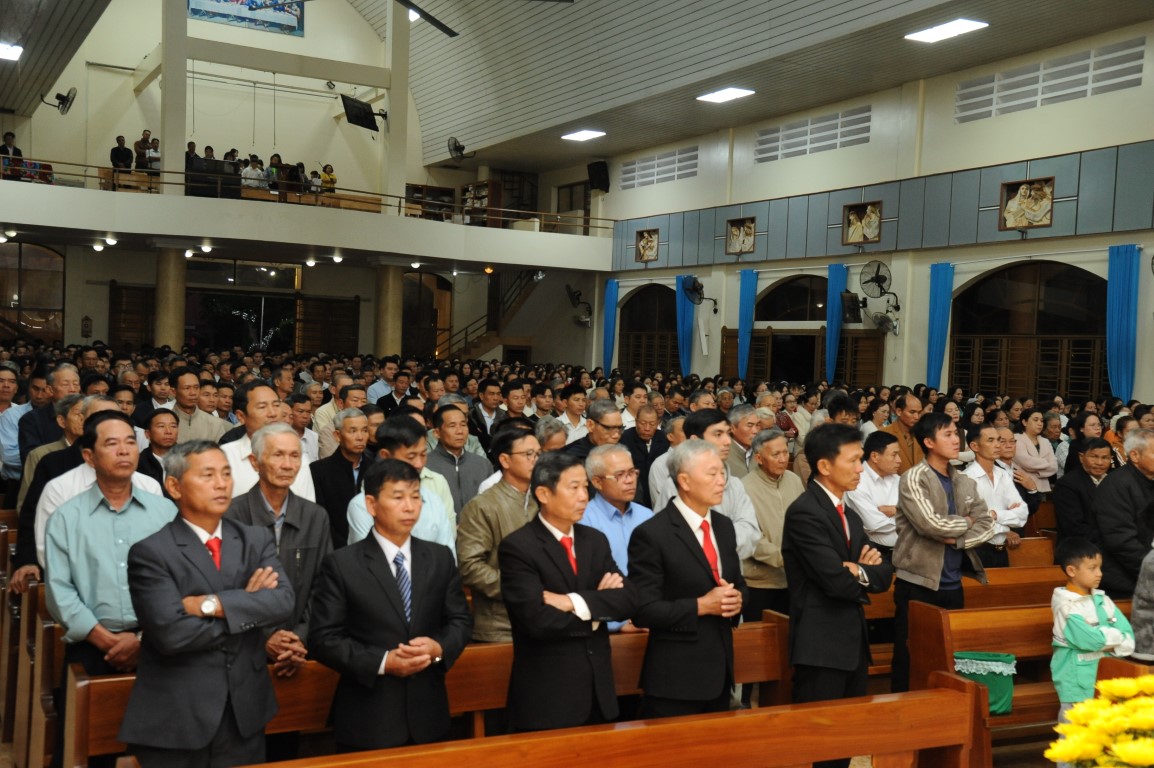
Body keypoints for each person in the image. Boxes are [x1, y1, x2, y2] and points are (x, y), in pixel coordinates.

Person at [119, 440, 295, 768]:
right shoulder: (152, 552)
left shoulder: (255, 539)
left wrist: (208, 605)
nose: (221, 483)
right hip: (177, 717)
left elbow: (283, 601)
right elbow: (171, 634)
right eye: (208, 475)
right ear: (174, 486)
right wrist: (248, 611)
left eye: (226, 474)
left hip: (244, 713)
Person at [308, 459, 472, 752]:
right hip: (369, 716)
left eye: (415, 497)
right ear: (371, 505)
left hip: (429, 714)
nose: (409, 507)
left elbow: (460, 621)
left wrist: (438, 648)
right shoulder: (342, 564)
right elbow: (324, 639)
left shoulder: (439, 558)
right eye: (398, 497)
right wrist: (383, 662)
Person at [44, 411, 177, 768]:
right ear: (89, 456)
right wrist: (106, 640)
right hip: (91, 650)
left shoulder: (165, 512)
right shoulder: (67, 517)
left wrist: (143, 639)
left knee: (159, 753)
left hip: (158, 646)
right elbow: (59, 591)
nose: (124, 451)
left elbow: (181, 583)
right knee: (85, 752)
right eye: (112, 443)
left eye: (130, 442)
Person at [499, 451, 638, 731]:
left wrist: (571, 602)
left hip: (599, 693)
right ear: (543, 494)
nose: (584, 496)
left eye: (585, 487)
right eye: (573, 488)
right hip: (548, 697)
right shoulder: (519, 547)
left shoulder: (594, 541)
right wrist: (597, 611)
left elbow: (627, 599)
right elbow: (537, 619)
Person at [628, 440, 745, 718]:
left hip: (720, 670)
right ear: (684, 481)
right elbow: (643, 609)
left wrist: (738, 599)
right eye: (712, 474)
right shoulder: (653, 533)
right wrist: (701, 606)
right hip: (675, 678)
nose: (721, 481)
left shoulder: (724, 526)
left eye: (722, 473)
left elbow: (738, 583)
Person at [891, 412, 995, 692]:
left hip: (953, 582)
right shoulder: (914, 478)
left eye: (955, 433)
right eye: (947, 434)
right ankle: (903, 708)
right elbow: (931, 524)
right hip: (918, 582)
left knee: (949, 657)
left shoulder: (964, 481)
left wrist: (957, 541)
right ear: (928, 442)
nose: (955, 439)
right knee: (910, 655)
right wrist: (967, 522)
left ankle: (946, 709)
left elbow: (987, 525)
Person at [225, 424, 332, 684]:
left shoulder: (315, 516)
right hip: (244, 650)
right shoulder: (230, 516)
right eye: (277, 455)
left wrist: (299, 637)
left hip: (301, 649)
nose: (287, 465)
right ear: (255, 462)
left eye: (295, 456)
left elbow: (324, 586)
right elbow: (225, 588)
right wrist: (266, 637)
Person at [456, 428, 540, 643]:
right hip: (500, 625)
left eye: (539, 454)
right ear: (505, 460)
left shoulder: (541, 501)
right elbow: (470, 567)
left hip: (541, 618)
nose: (536, 460)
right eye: (528, 454)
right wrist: (519, 589)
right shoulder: (482, 506)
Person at [1051, 538, 1134, 742]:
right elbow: (1091, 641)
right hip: (1076, 681)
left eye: (1100, 567)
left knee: (1104, 737)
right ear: (1072, 571)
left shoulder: (1102, 600)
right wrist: (1113, 637)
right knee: (1074, 738)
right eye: (1092, 568)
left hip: (1105, 677)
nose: (1100, 573)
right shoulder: (1066, 605)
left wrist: (1103, 636)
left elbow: (1129, 639)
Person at [346, 416, 455, 552]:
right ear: (386, 456)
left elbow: (447, 555)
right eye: (411, 457)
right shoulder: (362, 505)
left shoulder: (433, 500)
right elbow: (366, 558)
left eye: (423, 455)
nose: (419, 464)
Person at [578, 444, 653, 634]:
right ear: (597, 482)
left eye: (632, 472)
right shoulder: (583, 521)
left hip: (650, 618)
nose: (630, 480)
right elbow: (585, 584)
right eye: (620, 475)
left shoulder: (647, 516)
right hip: (607, 625)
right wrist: (617, 623)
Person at [222, 382, 316, 501]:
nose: (273, 413)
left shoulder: (298, 455)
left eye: (276, 405)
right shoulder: (224, 457)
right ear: (241, 416)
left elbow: (307, 505)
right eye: (262, 407)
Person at [1091, 429, 1154, 597]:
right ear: (1134, 455)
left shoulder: (1148, 481)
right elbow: (1121, 541)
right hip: (1123, 581)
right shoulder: (1117, 485)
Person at [964, 422, 1029, 568]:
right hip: (976, 550)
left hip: (1001, 551)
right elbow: (974, 522)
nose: (998, 445)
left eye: (998, 440)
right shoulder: (966, 478)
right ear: (975, 446)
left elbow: (1022, 514)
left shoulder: (1003, 474)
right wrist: (1005, 527)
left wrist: (995, 514)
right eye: (990, 440)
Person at [310, 407, 372, 547]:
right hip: (333, 548)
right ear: (337, 436)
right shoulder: (318, 471)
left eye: (364, 430)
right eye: (352, 431)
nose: (360, 437)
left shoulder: (377, 469)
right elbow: (319, 518)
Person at [425, 403, 492, 517]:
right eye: (452, 426)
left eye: (463, 425)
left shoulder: (483, 464)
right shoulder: (425, 466)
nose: (460, 431)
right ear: (437, 433)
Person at [844, 430, 901, 559]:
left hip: (906, 549)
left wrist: (897, 511)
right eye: (894, 455)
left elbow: (919, 511)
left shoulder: (897, 479)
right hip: (876, 552)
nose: (899, 460)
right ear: (875, 456)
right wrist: (908, 517)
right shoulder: (857, 483)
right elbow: (876, 524)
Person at [1052, 437, 1112, 545]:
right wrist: (1111, 540)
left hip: (1114, 544)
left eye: (1105, 458)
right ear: (1081, 457)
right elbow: (1073, 528)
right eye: (1094, 457)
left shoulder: (1114, 481)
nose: (1099, 462)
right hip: (1080, 547)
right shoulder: (1067, 484)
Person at [618, 404, 668, 509]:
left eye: (652, 424)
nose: (647, 428)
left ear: (658, 423)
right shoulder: (625, 439)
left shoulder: (663, 438)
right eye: (643, 423)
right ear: (636, 422)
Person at [170, 367, 229, 443]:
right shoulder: (163, 422)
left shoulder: (215, 424)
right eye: (187, 388)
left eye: (196, 387)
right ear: (173, 392)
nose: (193, 393)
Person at [881, 392, 923, 474]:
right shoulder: (884, 434)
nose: (916, 417)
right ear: (899, 411)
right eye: (912, 412)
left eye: (919, 412)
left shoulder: (922, 434)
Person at [725, 404, 760, 480]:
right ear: (732, 428)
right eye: (750, 425)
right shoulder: (722, 454)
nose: (755, 431)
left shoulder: (761, 450)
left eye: (757, 425)